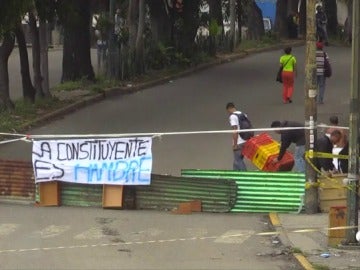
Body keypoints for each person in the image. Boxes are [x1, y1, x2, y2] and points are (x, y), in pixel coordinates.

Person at [226, 102, 247, 171]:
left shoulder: (233, 116)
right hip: (245, 140)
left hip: (239, 142)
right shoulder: (243, 114)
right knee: (236, 161)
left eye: (228, 111)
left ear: (229, 109)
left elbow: (235, 131)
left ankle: (245, 176)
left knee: (238, 160)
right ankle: (234, 175)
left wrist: (235, 144)